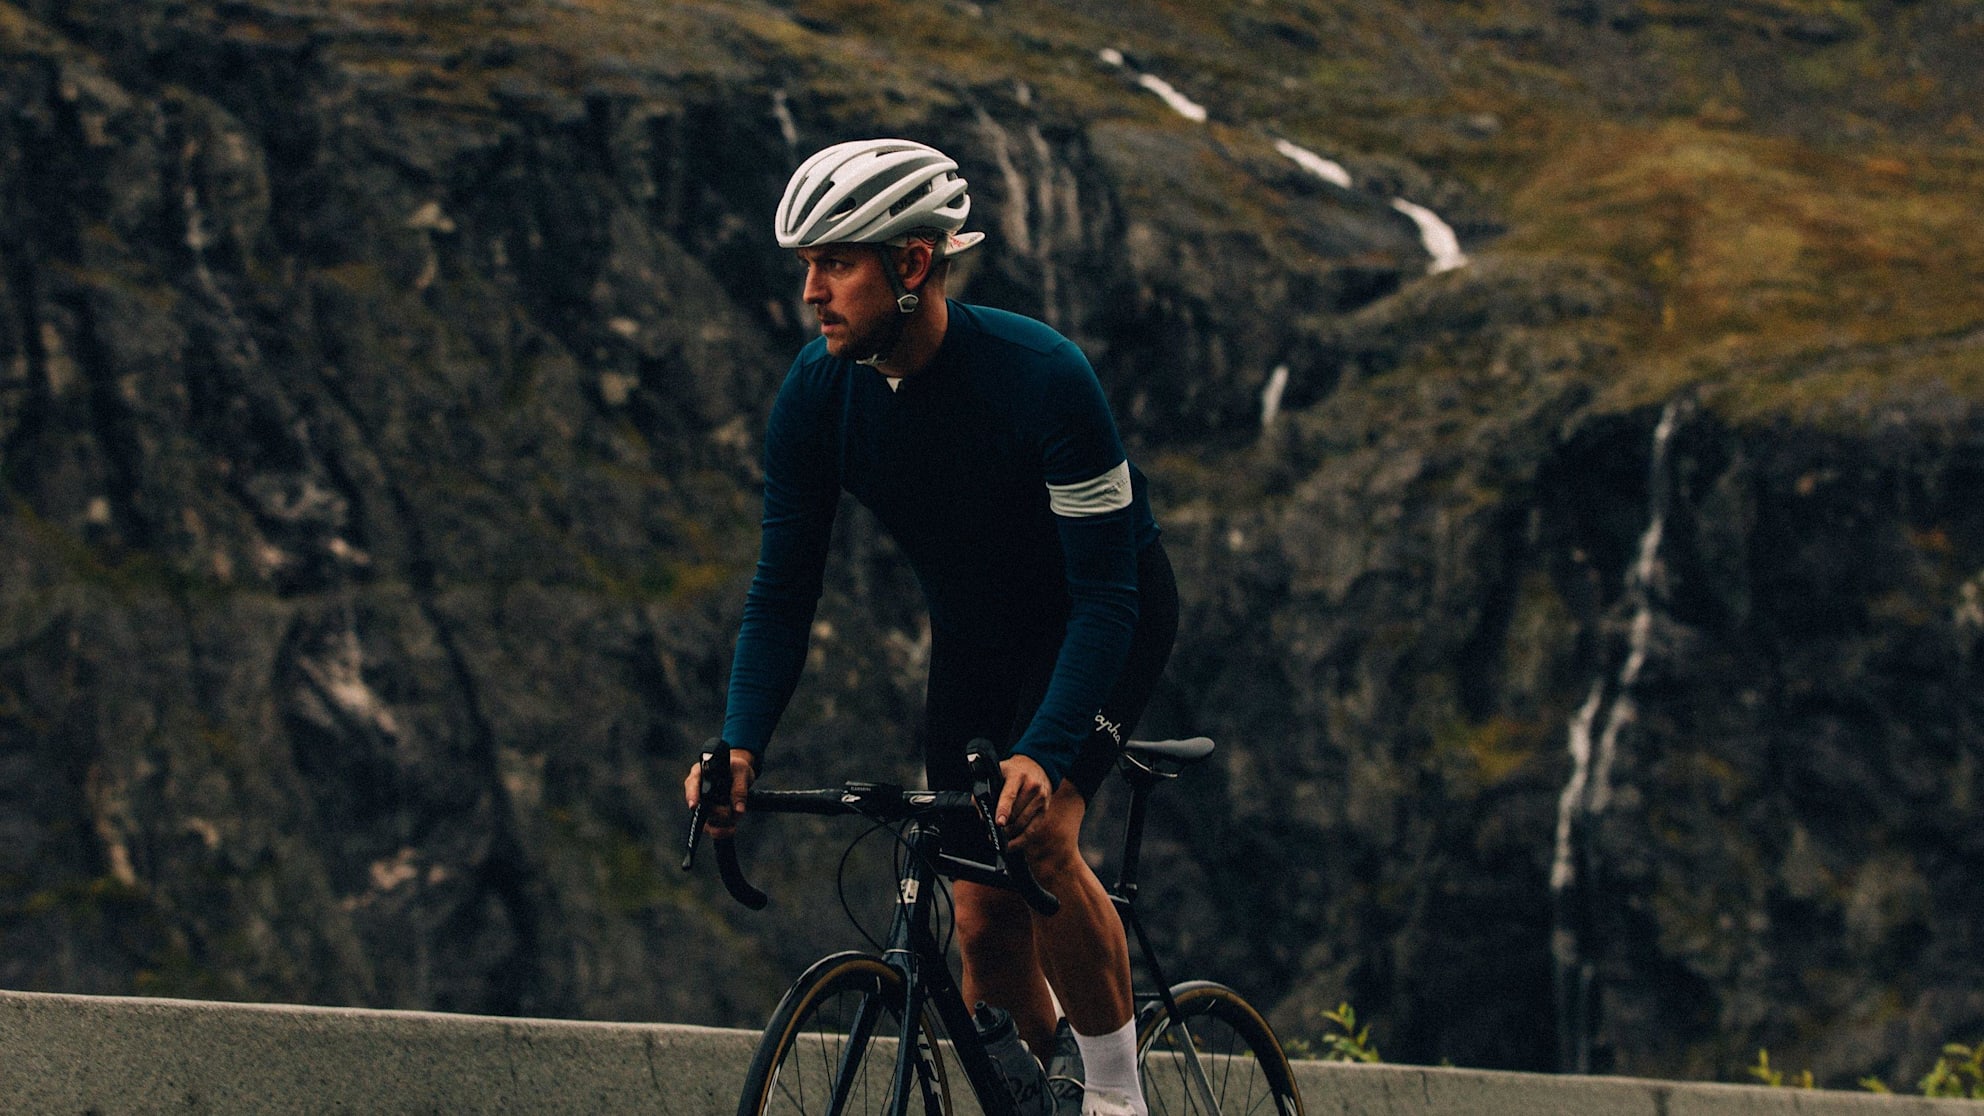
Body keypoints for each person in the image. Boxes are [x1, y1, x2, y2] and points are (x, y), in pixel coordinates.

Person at [685, 138, 1178, 1116]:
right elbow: (783, 593)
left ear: (911, 265)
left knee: (1042, 844)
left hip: (1101, 618)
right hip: (977, 641)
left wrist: (1045, 752)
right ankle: (1050, 1094)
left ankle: (1119, 1102)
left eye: (836, 262)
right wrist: (738, 744)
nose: (811, 292)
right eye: (805, 267)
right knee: (982, 926)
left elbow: (1108, 599)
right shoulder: (817, 395)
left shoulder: (1042, 375)